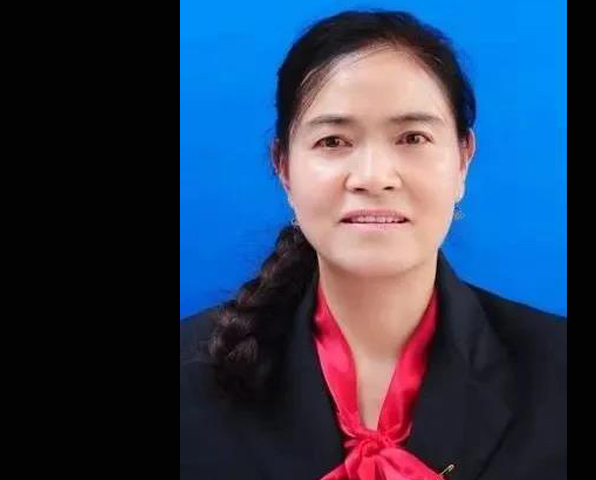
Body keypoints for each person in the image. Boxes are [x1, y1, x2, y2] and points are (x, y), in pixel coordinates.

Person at [180, 9, 566, 480]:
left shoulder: (556, 372)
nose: (373, 177)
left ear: (463, 160)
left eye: (412, 137)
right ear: (283, 168)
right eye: (333, 141)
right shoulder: (189, 375)